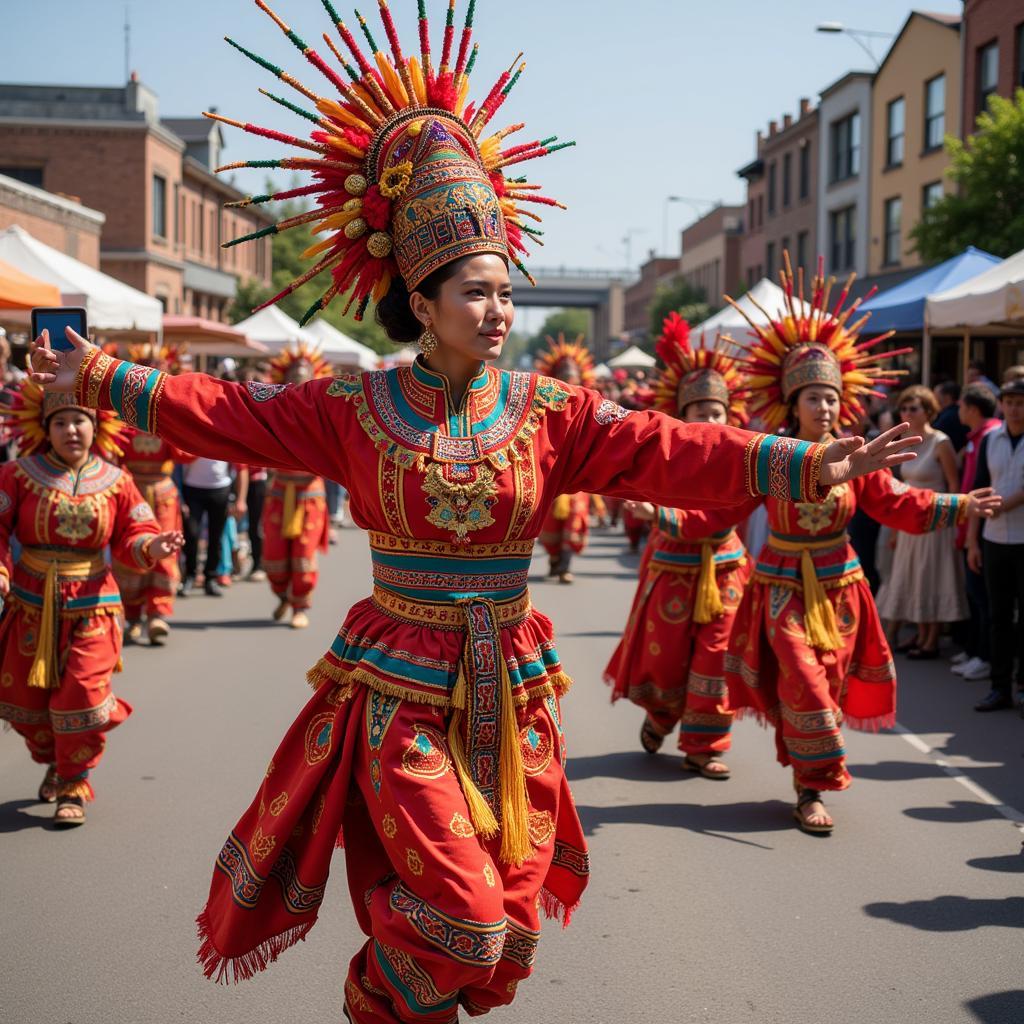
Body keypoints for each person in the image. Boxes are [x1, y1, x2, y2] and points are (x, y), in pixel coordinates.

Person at [30, 7, 919, 1016]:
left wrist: (799, 458)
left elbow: (670, 449)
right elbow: (229, 413)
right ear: (421, 290)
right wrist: (101, 374)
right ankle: (376, 1001)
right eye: (475, 290)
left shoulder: (550, 412)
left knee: (512, 921)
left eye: (506, 290)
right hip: (399, 688)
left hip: (514, 691)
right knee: (460, 913)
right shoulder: (352, 411)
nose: (499, 309)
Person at [675, 257, 999, 835]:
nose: (824, 407)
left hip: (842, 587)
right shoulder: (773, 456)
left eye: (830, 398)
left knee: (825, 681)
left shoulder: (860, 454)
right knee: (802, 676)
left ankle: (806, 779)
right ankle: (813, 786)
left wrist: (963, 504)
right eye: (813, 399)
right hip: (780, 586)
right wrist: (669, 518)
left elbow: (899, 502)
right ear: (792, 404)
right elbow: (722, 511)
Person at [0, 382, 181, 825]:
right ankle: (54, 761)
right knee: (28, 703)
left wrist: (152, 547)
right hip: (30, 603)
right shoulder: (16, 475)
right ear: (45, 428)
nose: (71, 429)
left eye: (79, 420)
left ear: (95, 425)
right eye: (60, 422)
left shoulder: (117, 481)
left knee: (81, 691)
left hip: (94, 605)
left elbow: (134, 532)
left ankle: (74, 784)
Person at [604, 313, 751, 777]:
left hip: (723, 569)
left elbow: (723, 516)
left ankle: (705, 744)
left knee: (716, 657)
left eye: (717, 412)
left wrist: (662, 514)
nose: (710, 420)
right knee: (665, 660)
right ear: (682, 416)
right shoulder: (664, 458)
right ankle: (662, 715)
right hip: (669, 567)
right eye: (700, 412)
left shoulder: (746, 460)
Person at [876, 385, 965, 658]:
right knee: (913, 577)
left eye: (913, 408)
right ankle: (921, 635)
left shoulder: (941, 442)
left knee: (932, 576)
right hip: (910, 520)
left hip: (936, 520)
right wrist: (894, 528)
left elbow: (953, 485)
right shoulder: (907, 440)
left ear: (928, 411)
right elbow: (900, 486)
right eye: (903, 408)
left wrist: (950, 521)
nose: (907, 412)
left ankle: (931, 640)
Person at [114, 344, 192, 645]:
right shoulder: (120, 414)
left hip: (162, 494)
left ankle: (157, 614)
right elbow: (113, 451)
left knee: (164, 553)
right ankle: (132, 615)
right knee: (130, 552)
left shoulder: (167, 416)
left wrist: (180, 423)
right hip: (131, 491)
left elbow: (185, 455)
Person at [261, 343, 331, 629]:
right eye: (294, 375)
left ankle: (299, 606)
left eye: (304, 376)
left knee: (303, 555)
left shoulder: (324, 413)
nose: (298, 380)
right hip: (279, 492)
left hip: (309, 496)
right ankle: (282, 595)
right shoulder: (273, 411)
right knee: (274, 554)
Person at [968, 377, 1024, 713]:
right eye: (1010, 402)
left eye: (1020, 402)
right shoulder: (991, 439)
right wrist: (972, 541)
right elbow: (979, 491)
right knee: (998, 615)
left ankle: (1022, 684)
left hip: (1023, 539)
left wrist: (1006, 503)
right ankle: (999, 686)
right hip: (994, 539)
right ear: (1001, 405)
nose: (1015, 408)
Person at [535, 334, 597, 583]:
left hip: (578, 474)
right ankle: (554, 560)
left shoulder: (590, 405)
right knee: (551, 523)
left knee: (575, 519)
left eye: (574, 380)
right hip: (550, 471)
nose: (570, 385)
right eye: (565, 380)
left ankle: (565, 565)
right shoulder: (542, 405)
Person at [952, 385, 1001, 681]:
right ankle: (975, 650)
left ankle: (985, 656)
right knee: (975, 595)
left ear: (972, 409)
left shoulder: (990, 436)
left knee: (985, 599)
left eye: (961, 405)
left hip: (985, 531)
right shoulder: (978, 437)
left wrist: (972, 536)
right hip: (970, 525)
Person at [933, 381, 968, 452]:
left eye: (938, 395)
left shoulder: (948, 417)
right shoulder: (959, 412)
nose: (935, 399)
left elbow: (933, 435)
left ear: (947, 397)